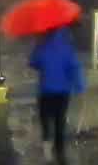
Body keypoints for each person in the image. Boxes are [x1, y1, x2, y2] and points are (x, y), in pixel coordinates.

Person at [29, 23, 87, 163]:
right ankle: (60, 151)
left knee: (45, 118)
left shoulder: (43, 46)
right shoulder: (68, 49)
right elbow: (75, 68)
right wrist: (80, 87)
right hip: (63, 92)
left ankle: (47, 146)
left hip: (46, 91)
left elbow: (33, 63)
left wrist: (38, 45)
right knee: (60, 120)